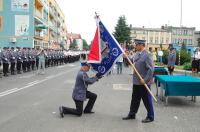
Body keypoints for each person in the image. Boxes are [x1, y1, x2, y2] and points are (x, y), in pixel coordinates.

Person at [122, 39, 154, 123]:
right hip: (136, 81)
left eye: (136, 45)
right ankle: (132, 114)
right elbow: (130, 62)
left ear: (141, 45)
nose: (135, 46)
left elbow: (151, 69)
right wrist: (125, 58)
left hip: (143, 82)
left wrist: (146, 80)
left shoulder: (147, 55)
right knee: (135, 99)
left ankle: (150, 116)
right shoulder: (136, 54)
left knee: (147, 100)